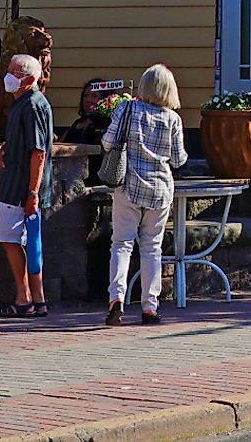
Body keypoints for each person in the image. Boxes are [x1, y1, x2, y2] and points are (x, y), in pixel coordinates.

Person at [100, 65, 190, 325]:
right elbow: (179, 159)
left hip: (127, 185)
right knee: (152, 248)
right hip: (160, 190)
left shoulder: (127, 109)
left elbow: (107, 142)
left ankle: (116, 299)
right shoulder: (173, 119)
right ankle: (150, 307)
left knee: (121, 244)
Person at [0, 54, 52, 318]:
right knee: (24, 242)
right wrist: (5, 149)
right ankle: (36, 299)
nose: (10, 77)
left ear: (29, 79)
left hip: (21, 187)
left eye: (16, 73)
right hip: (16, 182)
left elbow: (39, 152)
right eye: (10, 71)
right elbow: (22, 141)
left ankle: (24, 297)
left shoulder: (33, 105)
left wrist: (32, 193)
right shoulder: (20, 103)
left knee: (12, 239)